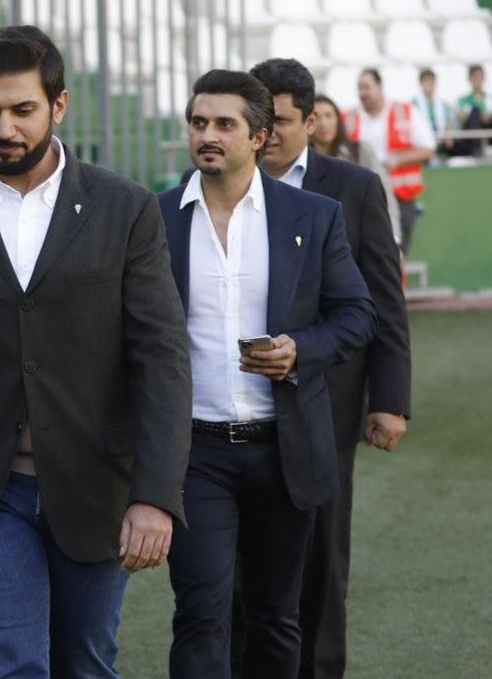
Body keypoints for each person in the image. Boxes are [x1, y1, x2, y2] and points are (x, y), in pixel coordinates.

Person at [0, 25, 192, 678]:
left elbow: (161, 359)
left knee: (85, 663)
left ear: (59, 106)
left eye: (23, 109)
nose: (5, 127)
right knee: (3, 665)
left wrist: (156, 495)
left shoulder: (125, 209)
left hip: (95, 486)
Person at [160, 69, 376, 679]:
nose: (208, 135)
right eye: (199, 122)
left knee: (278, 617)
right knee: (201, 613)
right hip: (195, 452)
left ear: (258, 136)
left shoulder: (314, 215)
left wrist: (299, 350)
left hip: (285, 449)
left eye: (225, 124)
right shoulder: (156, 219)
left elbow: (358, 314)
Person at [250, 58, 412, 679]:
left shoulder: (354, 187)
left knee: (321, 558)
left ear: (313, 121)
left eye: (280, 122)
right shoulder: (211, 184)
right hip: (230, 413)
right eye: (256, 121)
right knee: (241, 566)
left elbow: (382, 305)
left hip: (327, 408)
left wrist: (389, 399)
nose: (266, 135)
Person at [344, 68, 435, 253]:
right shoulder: (349, 117)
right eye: (359, 88)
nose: (362, 93)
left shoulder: (406, 112)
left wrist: (398, 160)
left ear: (380, 86)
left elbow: (428, 149)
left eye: (367, 87)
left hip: (401, 196)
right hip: (363, 199)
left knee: (397, 252)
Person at [310, 94, 400, 244]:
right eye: (317, 117)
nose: (323, 123)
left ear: (338, 119)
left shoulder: (360, 151)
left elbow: (385, 194)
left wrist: (394, 238)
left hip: (361, 237)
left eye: (328, 116)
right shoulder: (303, 160)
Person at [413, 68, 456, 159]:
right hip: (422, 142)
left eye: (431, 81)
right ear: (421, 83)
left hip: (441, 142)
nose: (429, 84)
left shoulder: (443, 104)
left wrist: (448, 135)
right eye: (426, 81)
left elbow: (448, 122)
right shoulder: (413, 104)